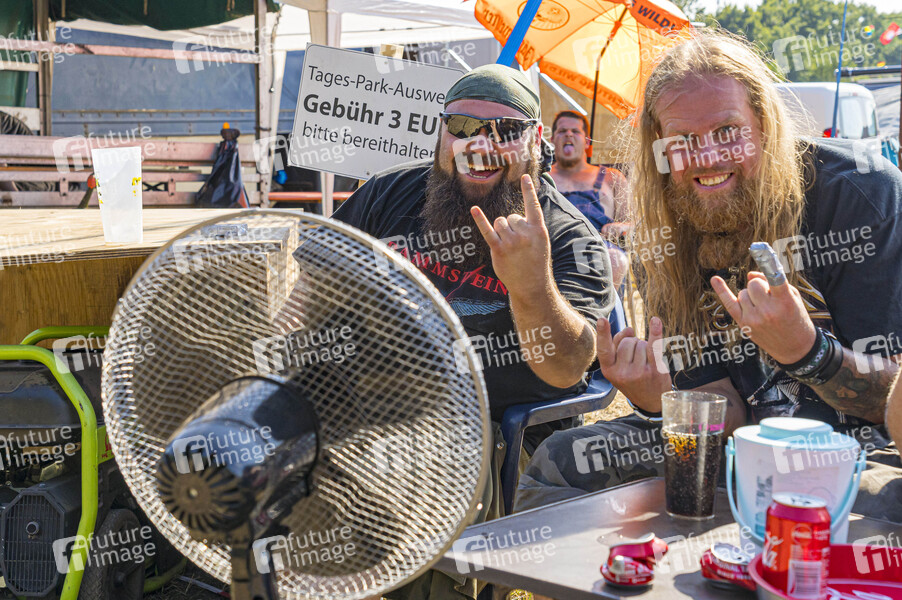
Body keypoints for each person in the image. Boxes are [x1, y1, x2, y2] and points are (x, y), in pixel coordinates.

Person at [515, 31, 902, 526]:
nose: (707, 157)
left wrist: (808, 352)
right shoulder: (664, 233)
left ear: (764, 125)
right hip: (738, 449)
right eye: (682, 141)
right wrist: (664, 400)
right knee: (562, 460)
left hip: (857, 451)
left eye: (727, 131)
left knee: (879, 506)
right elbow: (729, 412)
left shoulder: (859, 194)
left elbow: (891, 405)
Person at [331, 63, 615, 599]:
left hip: (488, 437)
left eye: (505, 130)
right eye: (462, 127)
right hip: (366, 409)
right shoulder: (388, 195)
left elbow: (567, 368)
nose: (480, 144)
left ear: (535, 139)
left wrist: (531, 286)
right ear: (441, 132)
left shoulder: (566, 237)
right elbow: (309, 282)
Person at [548, 110, 630, 289]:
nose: (568, 134)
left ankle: (603, 306)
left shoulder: (612, 177)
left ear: (587, 142)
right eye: (562, 131)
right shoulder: (541, 178)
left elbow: (634, 225)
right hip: (554, 257)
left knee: (614, 258)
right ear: (552, 139)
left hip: (602, 257)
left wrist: (621, 227)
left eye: (575, 131)